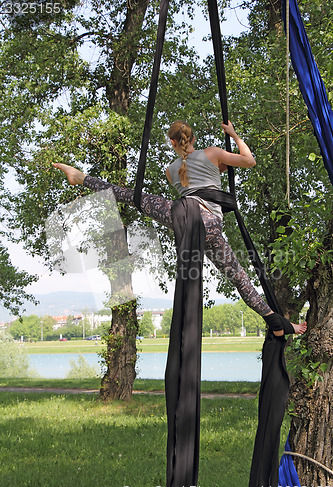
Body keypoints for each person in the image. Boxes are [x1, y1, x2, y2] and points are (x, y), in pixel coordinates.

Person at [52, 120, 307, 336]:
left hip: (182, 221)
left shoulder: (170, 171)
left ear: (172, 143)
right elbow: (249, 161)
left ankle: (82, 178)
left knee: (134, 196)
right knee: (240, 278)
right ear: (192, 138)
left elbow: (191, 182)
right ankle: (277, 323)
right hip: (209, 226)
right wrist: (234, 135)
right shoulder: (213, 153)